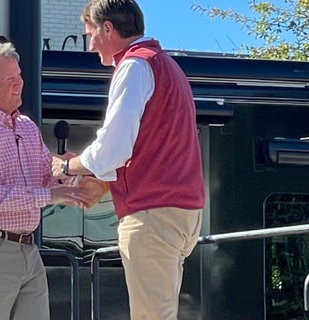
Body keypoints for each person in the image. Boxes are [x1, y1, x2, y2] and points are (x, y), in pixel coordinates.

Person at [51, 1, 205, 319]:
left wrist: (67, 167)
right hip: (180, 213)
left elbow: (114, 147)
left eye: (90, 33)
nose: (89, 44)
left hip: (152, 214)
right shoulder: (167, 66)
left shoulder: (134, 65)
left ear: (108, 28)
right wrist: (98, 177)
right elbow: (146, 148)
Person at [0, 41, 91, 320]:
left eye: (20, 76)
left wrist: (69, 172)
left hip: (29, 249)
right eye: (10, 79)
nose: (20, 83)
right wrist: (50, 195)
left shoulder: (26, 126)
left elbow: (46, 179)